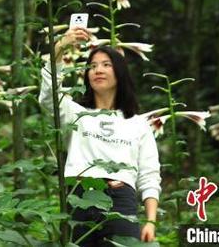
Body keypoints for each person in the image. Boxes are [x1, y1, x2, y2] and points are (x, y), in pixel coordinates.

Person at [38, 27, 161, 246]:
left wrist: (151, 221)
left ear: (120, 73)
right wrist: (60, 46)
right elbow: (49, 96)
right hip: (79, 198)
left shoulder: (138, 124)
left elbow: (149, 176)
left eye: (106, 65)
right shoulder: (75, 113)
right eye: (92, 66)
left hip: (122, 202)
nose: (98, 70)